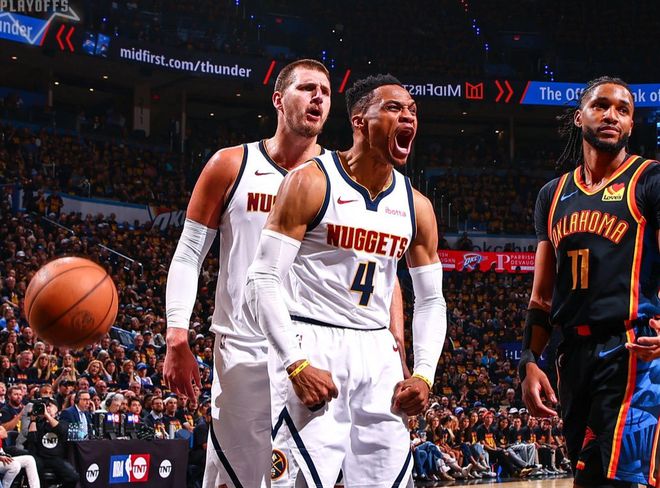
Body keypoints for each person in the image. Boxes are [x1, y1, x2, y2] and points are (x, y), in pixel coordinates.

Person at [164, 60, 409, 488]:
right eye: (307, 88)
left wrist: (396, 348)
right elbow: (188, 254)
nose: (318, 98)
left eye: (326, 92)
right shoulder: (230, 164)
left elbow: (380, 269)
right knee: (232, 479)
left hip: (317, 349)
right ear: (278, 99)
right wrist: (176, 334)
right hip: (245, 347)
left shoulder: (339, 176)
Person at [245, 74, 446, 487]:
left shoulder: (417, 206)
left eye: (412, 110)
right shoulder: (311, 181)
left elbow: (431, 300)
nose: (408, 117)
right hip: (313, 341)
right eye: (394, 108)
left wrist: (424, 372)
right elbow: (262, 278)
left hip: (378, 351)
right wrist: (294, 363)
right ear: (359, 121)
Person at [520, 76, 660, 487]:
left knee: (621, 479)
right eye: (601, 105)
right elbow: (542, 297)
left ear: (631, 124)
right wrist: (529, 361)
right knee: (586, 478)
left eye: (623, 110)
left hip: (632, 351)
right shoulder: (552, 194)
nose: (612, 115)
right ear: (579, 117)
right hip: (573, 357)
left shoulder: (649, 179)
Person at [25, 398, 79, 488]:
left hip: (55, 458)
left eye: (50, 406)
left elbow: (61, 430)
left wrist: (47, 415)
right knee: (36, 469)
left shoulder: (63, 422)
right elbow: (31, 439)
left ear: (57, 409)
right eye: (45, 406)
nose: (47, 408)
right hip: (40, 457)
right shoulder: (38, 423)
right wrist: (33, 420)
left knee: (73, 477)